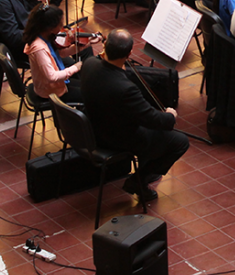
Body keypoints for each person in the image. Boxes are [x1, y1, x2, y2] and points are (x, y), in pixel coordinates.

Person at [80, 29, 189, 201]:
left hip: (91, 128)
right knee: (180, 142)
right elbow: (153, 119)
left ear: (105, 46)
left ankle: (145, 168)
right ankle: (139, 180)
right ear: (129, 53)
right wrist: (170, 116)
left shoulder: (89, 63)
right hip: (114, 139)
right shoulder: (125, 88)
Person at [24, 4, 94, 103]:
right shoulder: (39, 48)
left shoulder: (45, 36)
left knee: (89, 88)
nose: (63, 27)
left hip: (59, 85)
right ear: (50, 28)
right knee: (91, 96)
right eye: (60, 25)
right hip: (50, 92)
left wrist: (88, 43)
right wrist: (76, 67)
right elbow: (52, 77)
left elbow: (61, 53)